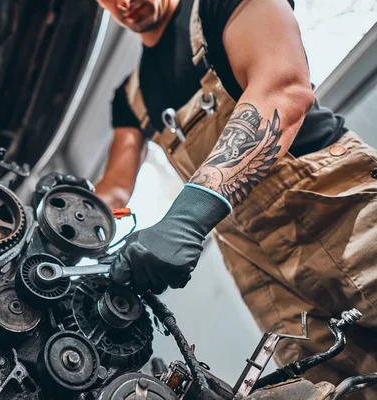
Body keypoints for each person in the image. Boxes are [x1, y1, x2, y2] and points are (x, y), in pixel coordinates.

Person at [94, 0, 377, 397]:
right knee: (338, 389)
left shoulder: (220, 6)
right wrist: (70, 216)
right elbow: (115, 187)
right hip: (259, 264)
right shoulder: (132, 96)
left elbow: (283, 88)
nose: (125, 3)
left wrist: (187, 217)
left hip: (337, 211)